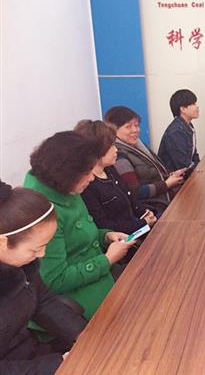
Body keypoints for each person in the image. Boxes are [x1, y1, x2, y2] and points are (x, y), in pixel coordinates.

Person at [23, 131, 135, 319]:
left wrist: (106, 236)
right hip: (78, 299)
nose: (92, 178)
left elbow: (80, 237)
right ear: (67, 173)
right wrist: (107, 260)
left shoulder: (66, 188)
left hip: (100, 276)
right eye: (87, 172)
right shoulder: (41, 212)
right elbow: (55, 279)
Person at [0, 181, 87, 374]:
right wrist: (55, 365)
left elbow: (43, 300)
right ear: (2, 243)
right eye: (36, 249)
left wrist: (81, 334)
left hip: (31, 356)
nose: (42, 254)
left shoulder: (21, 267)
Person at [75, 120, 157, 234]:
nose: (116, 149)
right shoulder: (87, 185)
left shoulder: (109, 169)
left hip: (136, 227)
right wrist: (142, 223)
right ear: (97, 151)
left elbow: (129, 197)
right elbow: (103, 225)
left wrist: (145, 212)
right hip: (122, 238)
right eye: (111, 146)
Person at [105, 106, 184, 214]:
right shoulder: (119, 156)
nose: (135, 130)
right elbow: (136, 192)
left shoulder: (138, 146)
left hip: (165, 197)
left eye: (136, 125)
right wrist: (166, 184)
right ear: (113, 130)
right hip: (154, 207)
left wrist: (170, 176)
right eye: (128, 127)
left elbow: (154, 173)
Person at [158, 89, 201, 173]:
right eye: (193, 104)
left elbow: (194, 154)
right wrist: (197, 169)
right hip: (174, 177)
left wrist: (199, 166)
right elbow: (182, 165)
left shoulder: (188, 126)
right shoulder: (175, 131)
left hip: (186, 173)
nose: (197, 106)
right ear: (183, 109)